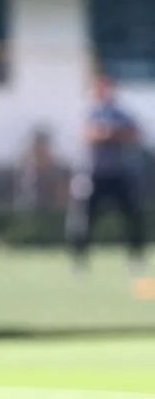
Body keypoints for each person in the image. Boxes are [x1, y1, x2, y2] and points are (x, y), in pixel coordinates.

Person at [71, 73, 147, 276]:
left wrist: (109, 132)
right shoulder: (89, 112)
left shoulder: (122, 113)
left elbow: (133, 133)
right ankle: (80, 262)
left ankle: (136, 259)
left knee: (133, 218)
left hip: (120, 174)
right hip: (94, 175)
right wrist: (108, 133)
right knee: (84, 220)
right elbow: (89, 134)